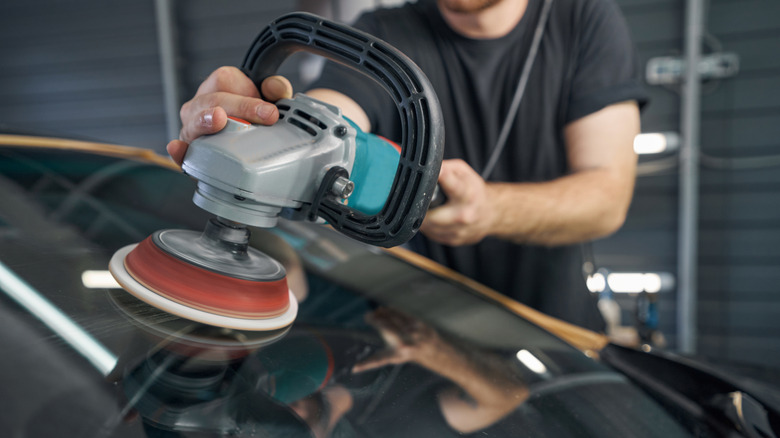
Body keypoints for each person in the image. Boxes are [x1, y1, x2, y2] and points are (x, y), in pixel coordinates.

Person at [166, 0, 647, 332]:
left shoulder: (583, 18)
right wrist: (271, 130)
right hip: (421, 339)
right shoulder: (385, 32)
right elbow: (340, 116)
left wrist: (490, 210)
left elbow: (607, 197)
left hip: (552, 333)